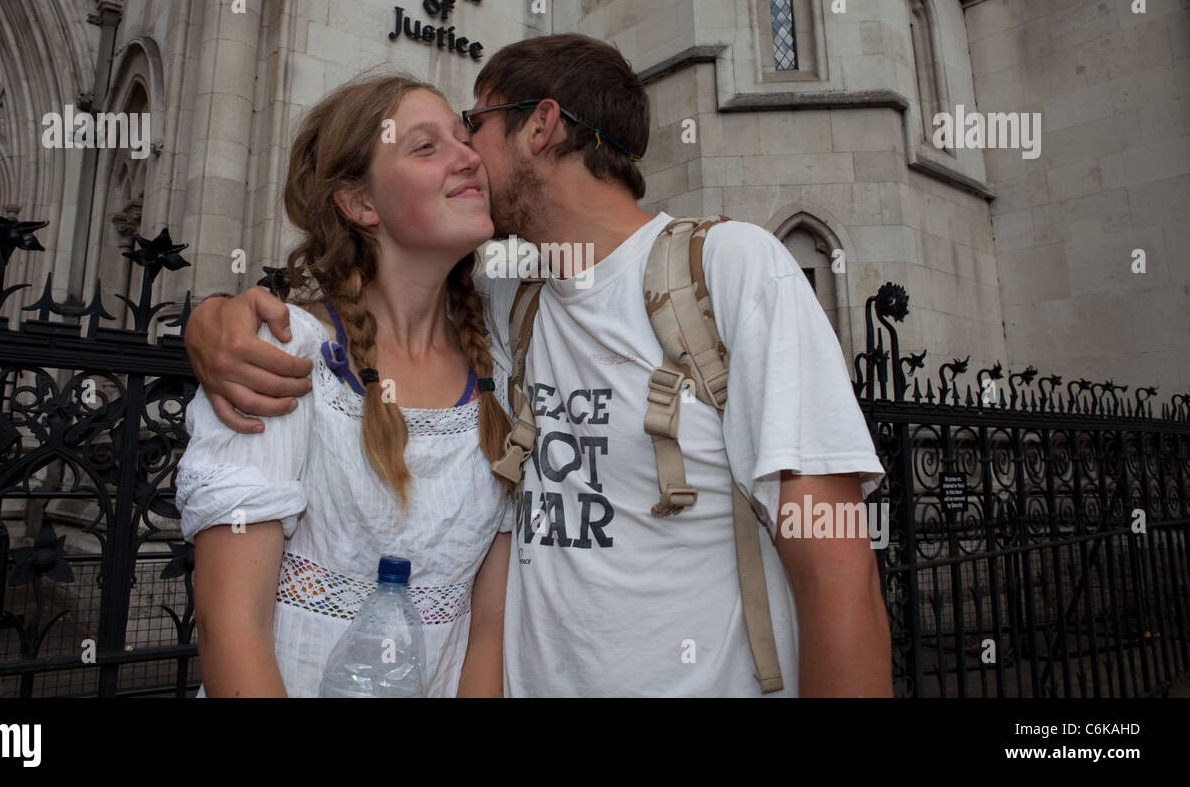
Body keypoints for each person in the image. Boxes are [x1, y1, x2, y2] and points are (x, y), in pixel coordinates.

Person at [185, 34, 894, 697]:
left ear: (540, 127)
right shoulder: (509, 311)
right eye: (437, 143)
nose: (466, 154)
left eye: (473, 126)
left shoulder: (728, 269)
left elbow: (837, 573)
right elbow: (367, 308)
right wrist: (215, 318)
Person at [175, 72, 514, 697]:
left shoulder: (500, 367)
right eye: (425, 146)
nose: (470, 156)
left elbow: (488, 627)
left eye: (463, 137)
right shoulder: (287, 357)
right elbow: (233, 627)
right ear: (359, 204)